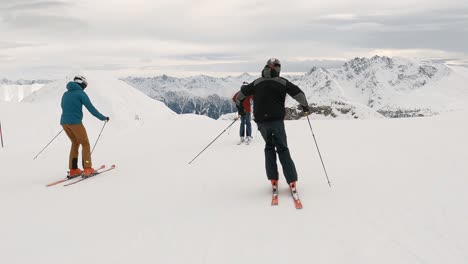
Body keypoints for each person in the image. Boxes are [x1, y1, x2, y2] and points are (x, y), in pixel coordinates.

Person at [235, 58, 310, 191]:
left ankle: (273, 179)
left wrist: (241, 110)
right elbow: (299, 94)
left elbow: (240, 96)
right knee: (282, 149)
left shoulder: (256, 83)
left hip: (262, 123)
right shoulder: (282, 82)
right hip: (277, 121)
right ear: (277, 68)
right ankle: (291, 180)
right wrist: (305, 107)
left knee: (269, 147)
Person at [60, 75, 109, 178]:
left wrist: (68, 119)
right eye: (84, 85)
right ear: (82, 84)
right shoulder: (81, 94)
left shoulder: (65, 94)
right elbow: (91, 108)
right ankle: (87, 168)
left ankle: (73, 170)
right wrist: (103, 118)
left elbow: (64, 107)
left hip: (64, 123)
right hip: (75, 123)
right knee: (85, 144)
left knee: (75, 143)